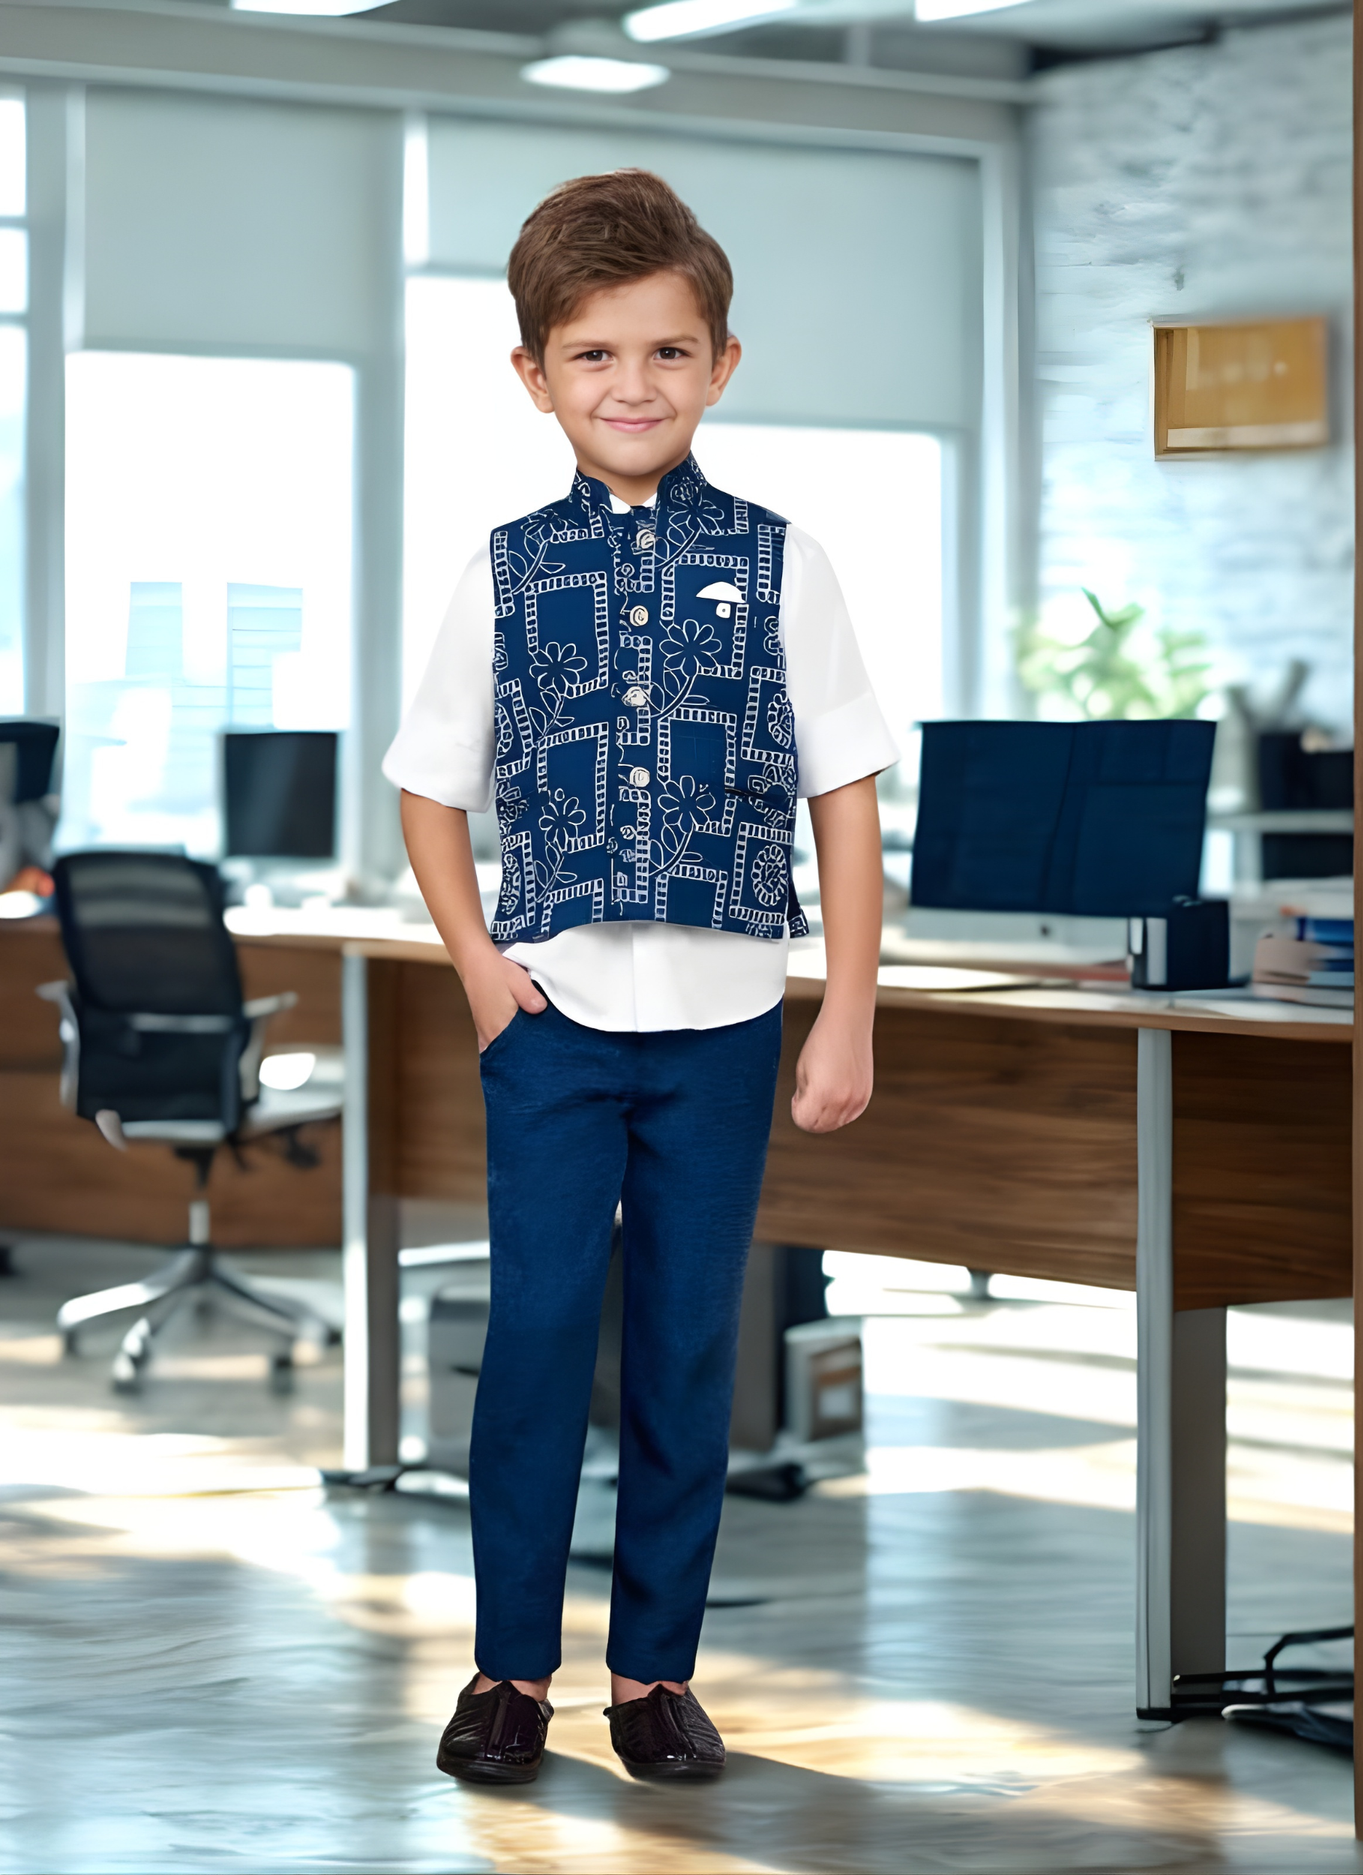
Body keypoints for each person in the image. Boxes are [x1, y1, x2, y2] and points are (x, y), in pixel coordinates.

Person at [384, 168, 896, 1786]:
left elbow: (846, 798)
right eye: (595, 356)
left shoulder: (782, 561)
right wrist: (477, 966)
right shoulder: (504, 567)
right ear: (535, 376)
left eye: (667, 353)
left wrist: (849, 1008)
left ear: (721, 364)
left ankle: (653, 1676)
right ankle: (508, 1673)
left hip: (728, 1021)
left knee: (683, 1346)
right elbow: (427, 783)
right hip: (548, 1025)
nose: (633, 386)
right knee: (537, 1336)